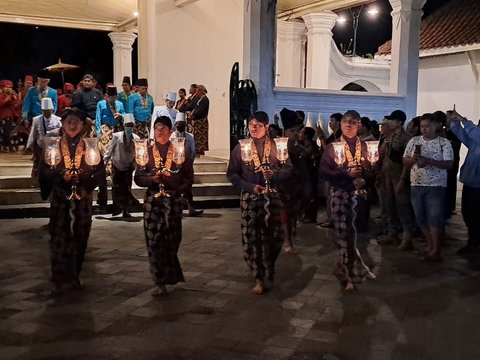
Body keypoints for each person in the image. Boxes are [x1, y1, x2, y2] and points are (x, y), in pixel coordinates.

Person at [38, 108, 105, 295]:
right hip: (61, 198)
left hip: (82, 197)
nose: (73, 125)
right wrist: (61, 175)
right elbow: (44, 171)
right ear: (63, 124)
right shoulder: (54, 146)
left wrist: (83, 179)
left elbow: (99, 172)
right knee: (59, 236)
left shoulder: (90, 146)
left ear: (82, 125)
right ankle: (59, 277)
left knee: (81, 236)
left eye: (76, 121)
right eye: (69, 121)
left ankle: (75, 274)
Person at [227, 111, 294, 295]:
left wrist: (275, 175)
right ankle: (258, 276)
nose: (254, 127)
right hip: (250, 198)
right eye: (251, 124)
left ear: (266, 127)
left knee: (275, 235)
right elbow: (232, 173)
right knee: (252, 237)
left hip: (272, 196)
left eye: (258, 124)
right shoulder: (241, 147)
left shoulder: (276, 146)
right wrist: (248, 186)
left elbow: (288, 169)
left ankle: (269, 265)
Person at [134, 115, 194, 296]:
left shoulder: (178, 152)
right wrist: (152, 179)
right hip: (153, 201)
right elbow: (138, 177)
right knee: (154, 240)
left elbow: (188, 177)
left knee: (173, 238)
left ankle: (170, 272)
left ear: (170, 131)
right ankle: (159, 280)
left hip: (172, 200)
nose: (159, 131)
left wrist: (178, 190)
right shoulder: (146, 151)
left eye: (163, 128)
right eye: (156, 128)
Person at [319, 110, 375, 292]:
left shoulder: (367, 147)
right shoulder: (332, 148)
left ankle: (343, 265)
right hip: (340, 194)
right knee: (344, 234)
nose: (348, 124)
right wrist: (346, 174)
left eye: (353, 121)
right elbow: (324, 172)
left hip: (360, 195)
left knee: (354, 235)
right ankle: (349, 273)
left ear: (359, 125)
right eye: (345, 121)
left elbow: (373, 168)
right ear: (341, 125)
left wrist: (365, 178)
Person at [403, 113, 453, 262]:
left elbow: (449, 164)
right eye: (422, 126)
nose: (424, 129)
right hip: (416, 183)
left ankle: (436, 249)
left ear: (435, 127)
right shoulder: (414, 141)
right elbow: (405, 160)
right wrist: (413, 160)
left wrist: (429, 161)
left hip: (436, 184)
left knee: (434, 216)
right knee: (420, 216)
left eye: (427, 126)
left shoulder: (443, 143)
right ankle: (430, 245)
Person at [378, 110, 417, 250]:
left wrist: (402, 179)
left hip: (400, 175)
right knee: (390, 206)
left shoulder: (407, 138)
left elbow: (406, 160)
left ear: (400, 122)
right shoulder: (391, 136)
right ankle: (392, 233)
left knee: (403, 206)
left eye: (393, 120)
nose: (390, 123)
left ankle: (407, 237)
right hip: (389, 174)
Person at [449, 109, 480, 255]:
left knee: (475, 215)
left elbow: (474, 134)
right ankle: (473, 242)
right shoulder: (476, 143)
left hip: (478, 185)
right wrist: (455, 123)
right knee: (468, 213)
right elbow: (464, 136)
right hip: (470, 183)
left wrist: (464, 120)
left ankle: (475, 243)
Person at [280, 107, 308, 254]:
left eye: (297, 131)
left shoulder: (299, 147)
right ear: (285, 132)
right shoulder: (279, 147)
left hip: (296, 183)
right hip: (283, 184)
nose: (296, 135)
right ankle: (287, 240)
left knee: (293, 211)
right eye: (292, 131)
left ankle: (291, 232)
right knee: (285, 211)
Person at [103, 114, 140, 217]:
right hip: (117, 166)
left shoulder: (136, 138)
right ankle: (117, 209)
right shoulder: (117, 136)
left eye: (131, 125)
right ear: (124, 126)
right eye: (127, 125)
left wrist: (136, 164)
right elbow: (109, 151)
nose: (129, 128)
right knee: (117, 188)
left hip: (129, 167)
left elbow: (138, 153)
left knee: (127, 187)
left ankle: (125, 210)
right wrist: (103, 163)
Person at [170, 112, 203, 217]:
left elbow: (193, 151)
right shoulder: (171, 136)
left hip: (187, 165)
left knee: (188, 188)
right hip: (175, 165)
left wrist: (188, 163)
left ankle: (190, 208)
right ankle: (176, 208)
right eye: (179, 123)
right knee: (176, 187)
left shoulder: (190, 136)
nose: (180, 125)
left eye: (182, 123)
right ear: (175, 125)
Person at [317, 112, 343, 228]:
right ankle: (332, 218)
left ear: (338, 122)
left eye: (332, 121)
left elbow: (328, 149)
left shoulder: (340, 135)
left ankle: (333, 219)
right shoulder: (334, 135)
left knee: (333, 195)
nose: (330, 123)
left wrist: (322, 137)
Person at [26, 98, 61, 179]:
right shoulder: (36, 120)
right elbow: (33, 133)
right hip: (40, 145)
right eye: (45, 111)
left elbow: (60, 133)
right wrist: (29, 146)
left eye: (48, 110)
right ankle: (36, 179)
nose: (47, 112)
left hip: (53, 146)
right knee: (38, 163)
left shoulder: (58, 120)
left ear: (52, 110)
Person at [300, 126, 322, 223]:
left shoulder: (312, 146)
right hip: (305, 174)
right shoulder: (304, 145)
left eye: (302, 133)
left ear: (306, 136)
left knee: (311, 195)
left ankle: (311, 216)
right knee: (306, 195)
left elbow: (311, 160)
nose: (300, 134)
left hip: (310, 174)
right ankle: (306, 214)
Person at [187, 84, 209, 155]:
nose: (196, 93)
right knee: (196, 136)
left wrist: (193, 115)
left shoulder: (205, 99)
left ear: (201, 91)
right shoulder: (200, 99)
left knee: (201, 137)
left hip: (201, 121)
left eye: (197, 91)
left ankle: (200, 151)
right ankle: (197, 150)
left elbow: (200, 110)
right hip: (197, 121)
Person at [0, 79, 21, 152]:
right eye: (6, 87)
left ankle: (13, 146)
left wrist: (15, 100)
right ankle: (5, 146)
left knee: (13, 133)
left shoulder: (13, 95)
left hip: (12, 117)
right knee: (5, 133)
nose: (8, 88)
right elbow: (1, 104)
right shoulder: (1, 95)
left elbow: (15, 106)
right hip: (3, 117)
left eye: (10, 87)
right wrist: (8, 97)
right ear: (2, 88)